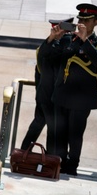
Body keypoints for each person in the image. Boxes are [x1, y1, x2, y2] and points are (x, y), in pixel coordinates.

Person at [47, 3, 97, 175]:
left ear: (96, 23)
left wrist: (85, 40)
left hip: (81, 99)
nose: (82, 23)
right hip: (62, 94)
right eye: (81, 19)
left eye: (87, 20)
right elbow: (50, 57)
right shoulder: (68, 39)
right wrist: (52, 39)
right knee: (59, 133)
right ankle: (59, 163)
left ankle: (72, 166)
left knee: (75, 135)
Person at [20, 18, 72, 150]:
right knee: (52, 129)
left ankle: (24, 151)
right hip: (49, 97)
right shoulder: (51, 49)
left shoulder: (48, 47)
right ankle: (48, 157)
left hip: (45, 95)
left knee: (39, 123)